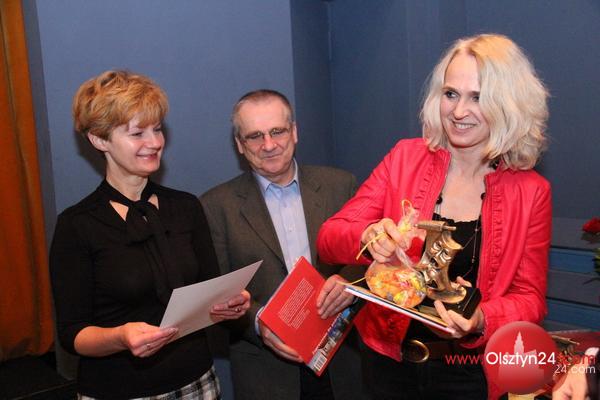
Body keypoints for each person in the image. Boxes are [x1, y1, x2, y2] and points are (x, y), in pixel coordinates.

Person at [317, 33, 552, 400]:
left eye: (478, 97)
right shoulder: (405, 158)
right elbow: (329, 237)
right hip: (387, 365)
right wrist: (368, 236)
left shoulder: (531, 191)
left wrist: (482, 318)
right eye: (451, 94)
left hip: (468, 372)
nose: (459, 112)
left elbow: (530, 297)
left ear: (508, 104)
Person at [49, 70, 251, 399]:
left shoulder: (186, 207)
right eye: (137, 133)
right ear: (99, 140)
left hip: (197, 382)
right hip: (118, 390)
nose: (155, 142)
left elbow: (211, 294)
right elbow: (73, 334)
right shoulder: (77, 225)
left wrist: (230, 306)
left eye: (157, 129)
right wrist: (120, 337)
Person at [200, 89, 369, 400]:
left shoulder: (340, 186)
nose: (268, 145)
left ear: (294, 132)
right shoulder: (216, 206)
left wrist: (349, 283)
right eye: (255, 136)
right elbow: (218, 295)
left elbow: (366, 261)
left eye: (277, 131)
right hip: (266, 374)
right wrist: (258, 323)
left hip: (341, 364)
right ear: (239, 144)